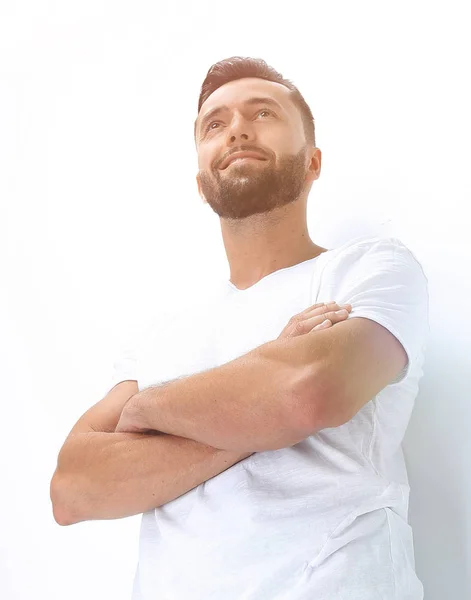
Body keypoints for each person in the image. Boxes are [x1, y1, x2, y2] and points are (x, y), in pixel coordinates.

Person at [53, 57, 430, 599]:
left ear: (313, 162)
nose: (236, 128)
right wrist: (259, 394)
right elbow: (73, 490)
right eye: (214, 123)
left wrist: (147, 410)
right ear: (203, 182)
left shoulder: (367, 270)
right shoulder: (160, 336)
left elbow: (308, 395)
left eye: (263, 113)